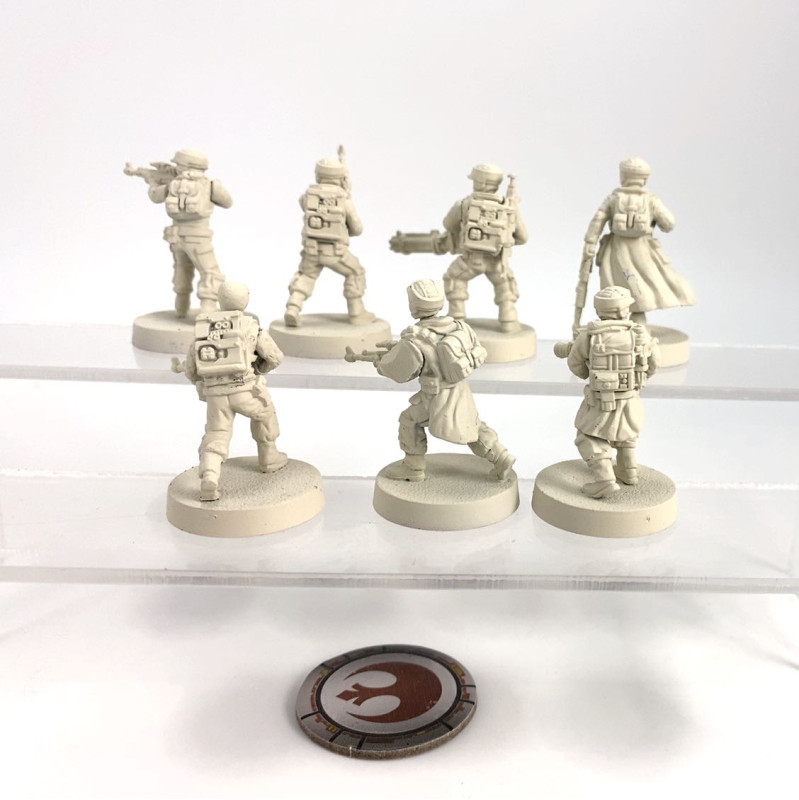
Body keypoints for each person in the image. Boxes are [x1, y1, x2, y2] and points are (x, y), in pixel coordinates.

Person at [373, 279, 515, 482]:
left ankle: (413, 467)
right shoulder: (459, 326)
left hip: (434, 396)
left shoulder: (414, 339)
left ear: (414, 306)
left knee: (409, 419)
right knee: (471, 425)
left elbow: (401, 373)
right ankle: (501, 456)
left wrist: (381, 364)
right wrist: (398, 348)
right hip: (460, 391)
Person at [178, 281, 286, 501]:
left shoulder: (205, 328)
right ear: (245, 300)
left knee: (216, 434)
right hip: (246, 390)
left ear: (220, 300)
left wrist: (204, 382)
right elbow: (275, 357)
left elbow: (190, 370)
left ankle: (210, 475)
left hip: (216, 396)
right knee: (265, 414)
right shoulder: (251, 327)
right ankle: (269, 457)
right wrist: (259, 369)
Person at [559, 285, 659, 498]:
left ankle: (604, 480)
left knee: (587, 437)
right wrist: (635, 382)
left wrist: (589, 374)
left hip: (600, 400)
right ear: (624, 309)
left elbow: (574, 363)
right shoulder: (639, 333)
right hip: (630, 398)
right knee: (626, 434)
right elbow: (654, 362)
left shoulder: (590, 335)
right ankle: (629, 471)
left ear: (599, 310)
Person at [581, 157, 695, 324]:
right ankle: (632, 321)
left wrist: (590, 242)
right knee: (643, 284)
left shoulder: (614, 198)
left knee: (618, 285)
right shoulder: (650, 200)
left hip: (617, 251)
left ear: (623, 176)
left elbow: (598, 219)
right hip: (642, 250)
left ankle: (625, 321)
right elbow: (668, 224)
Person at [284, 153, 374, 326]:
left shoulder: (308, 196)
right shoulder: (344, 201)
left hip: (311, 250)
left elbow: (303, 204)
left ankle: (293, 307)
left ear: (318, 175)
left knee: (306, 275)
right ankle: (357, 313)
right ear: (342, 178)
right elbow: (357, 229)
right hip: (336, 253)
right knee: (355, 272)